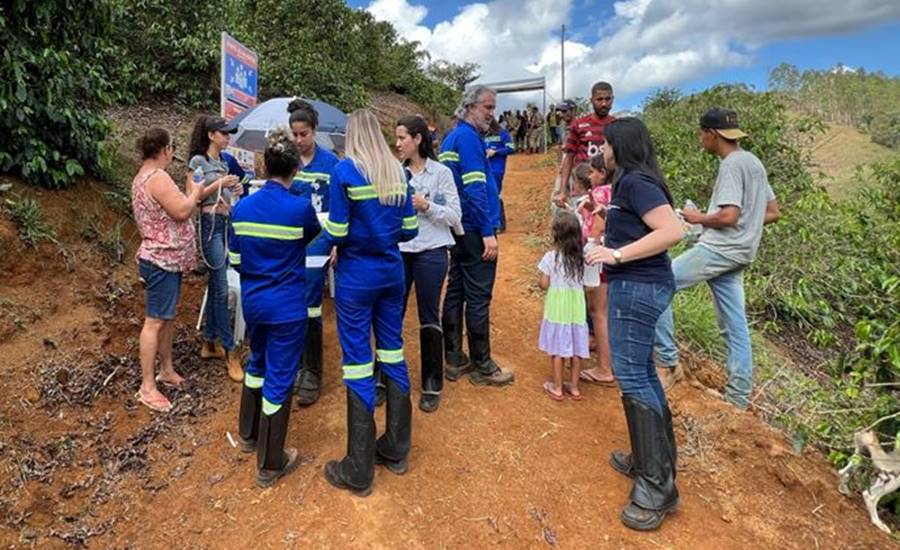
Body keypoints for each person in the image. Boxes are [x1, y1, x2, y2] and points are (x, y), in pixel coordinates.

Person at [584, 118, 683, 531]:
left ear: (619, 146)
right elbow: (643, 225)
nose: (600, 151)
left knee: (633, 377)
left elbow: (672, 230)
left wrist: (617, 256)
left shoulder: (635, 182)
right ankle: (651, 461)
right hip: (641, 286)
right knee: (641, 373)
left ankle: (656, 486)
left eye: (605, 144)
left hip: (638, 288)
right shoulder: (630, 184)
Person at [654, 108, 780, 407]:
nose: (701, 139)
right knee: (734, 324)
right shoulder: (754, 164)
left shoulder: (731, 165)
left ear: (712, 134)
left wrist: (698, 218)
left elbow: (729, 215)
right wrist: (744, 226)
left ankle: (668, 362)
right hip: (740, 253)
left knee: (657, 282)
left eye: (702, 134)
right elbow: (773, 212)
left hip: (719, 250)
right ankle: (737, 398)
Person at [322, 109, 419, 496]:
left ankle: (358, 469)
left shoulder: (343, 173)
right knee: (393, 352)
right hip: (392, 273)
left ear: (351, 135)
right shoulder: (398, 173)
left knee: (359, 361)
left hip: (356, 278)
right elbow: (410, 230)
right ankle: (395, 448)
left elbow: (339, 231)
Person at [229, 128, 321, 488]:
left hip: (255, 303)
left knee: (258, 362)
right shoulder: (299, 208)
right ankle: (271, 462)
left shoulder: (243, 207)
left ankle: (248, 433)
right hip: (288, 307)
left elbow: (236, 259)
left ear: (265, 166)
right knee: (280, 379)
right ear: (296, 169)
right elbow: (312, 235)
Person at [438, 85, 514, 386]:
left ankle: (454, 358)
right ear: (470, 107)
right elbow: (474, 189)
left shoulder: (452, 137)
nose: (491, 115)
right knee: (479, 295)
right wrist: (487, 232)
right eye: (488, 108)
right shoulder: (469, 139)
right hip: (473, 227)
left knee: (456, 289)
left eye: (493, 108)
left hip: (457, 227)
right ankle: (483, 366)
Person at [131, 128, 202, 412]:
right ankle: (147, 386)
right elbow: (182, 210)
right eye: (171, 147)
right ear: (164, 149)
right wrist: (196, 190)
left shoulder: (141, 176)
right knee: (155, 321)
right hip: (161, 259)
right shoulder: (157, 177)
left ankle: (166, 369)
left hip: (164, 259)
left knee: (166, 317)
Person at [395, 115, 462, 412]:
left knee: (428, 314)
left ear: (418, 139)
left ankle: (432, 382)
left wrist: (426, 206)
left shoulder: (442, 173)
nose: (397, 144)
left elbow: (455, 217)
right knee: (391, 314)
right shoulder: (395, 173)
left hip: (432, 251)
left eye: (402, 138)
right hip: (399, 250)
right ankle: (386, 380)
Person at [286, 99, 341, 407]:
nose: (298, 140)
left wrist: (336, 243)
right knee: (290, 304)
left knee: (310, 305)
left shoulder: (331, 164)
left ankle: (312, 371)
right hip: (289, 244)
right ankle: (292, 366)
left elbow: (341, 209)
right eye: (294, 134)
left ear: (314, 132)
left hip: (318, 244)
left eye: (303, 134)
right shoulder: (287, 161)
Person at [187, 115, 243, 382]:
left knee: (217, 283)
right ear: (211, 135)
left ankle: (209, 341)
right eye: (223, 133)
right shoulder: (198, 163)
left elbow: (227, 197)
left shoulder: (222, 163)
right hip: (209, 225)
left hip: (223, 222)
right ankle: (231, 350)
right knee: (220, 285)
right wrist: (221, 183)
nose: (227, 137)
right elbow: (194, 196)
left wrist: (236, 189)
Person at [538, 211, 590, 401]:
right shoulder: (581, 259)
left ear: (556, 234)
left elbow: (543, 283)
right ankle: (574, 387)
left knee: (557, 348)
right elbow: (587, 284)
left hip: (557, 307)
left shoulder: (552, 257)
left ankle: (557, 387)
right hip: (577, 307)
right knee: (577, 348)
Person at [578, 154, 615, 386]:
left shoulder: (600, 193)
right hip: (611, 256)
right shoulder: (615, 190)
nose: (589, 176)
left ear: (602, 172)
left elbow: (597, 228)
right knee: (604, 312)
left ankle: (604, 368)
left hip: (599, 256)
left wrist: (589, 245)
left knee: (598, 313)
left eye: (592, 172)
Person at [556, 82, 616, 208]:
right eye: (599, 99)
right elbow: (569, 157)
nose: (604, 103)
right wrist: (562, 191)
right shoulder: (579, 125)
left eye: (607, 99)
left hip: (608, 188)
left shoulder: (616, 125)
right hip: (582, 188)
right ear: (592, 100)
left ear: (612, 99)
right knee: (582, 222)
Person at [484, 117, 515, 232]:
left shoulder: (502, 133)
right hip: (485, 168)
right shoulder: (483, 135)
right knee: (487, 195)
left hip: (497, 169)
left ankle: (500, 223)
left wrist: (496, 152)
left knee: (495, 195)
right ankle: (491, 221)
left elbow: (511, 148)